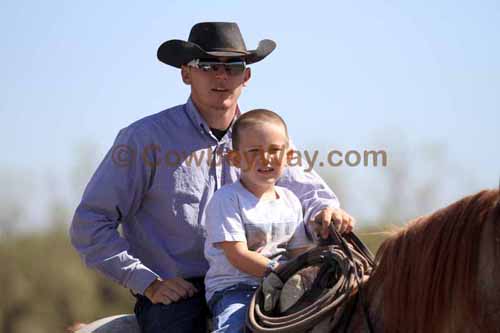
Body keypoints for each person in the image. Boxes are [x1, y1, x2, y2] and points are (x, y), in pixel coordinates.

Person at [69, 22, 354, 333]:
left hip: (265, 279)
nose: (221, 76)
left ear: (246, 76)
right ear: (186, 73)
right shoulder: (143, 139)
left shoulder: (267, 138)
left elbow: (312, 194)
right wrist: (147, 282)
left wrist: (327, 212)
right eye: (207, 65)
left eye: (233, 66)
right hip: (178, 291)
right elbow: (90, 224)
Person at [205, 109, 315, 332]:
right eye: (254, 151)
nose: (266, 159)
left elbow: (299, 253)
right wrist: (281, 270)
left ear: (289, 157)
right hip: (236, 288)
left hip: (285, 284)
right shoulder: (227, 199)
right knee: (233, 326)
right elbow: (238, 255)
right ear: (235, 159)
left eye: (275, 150)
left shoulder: (291, 201)